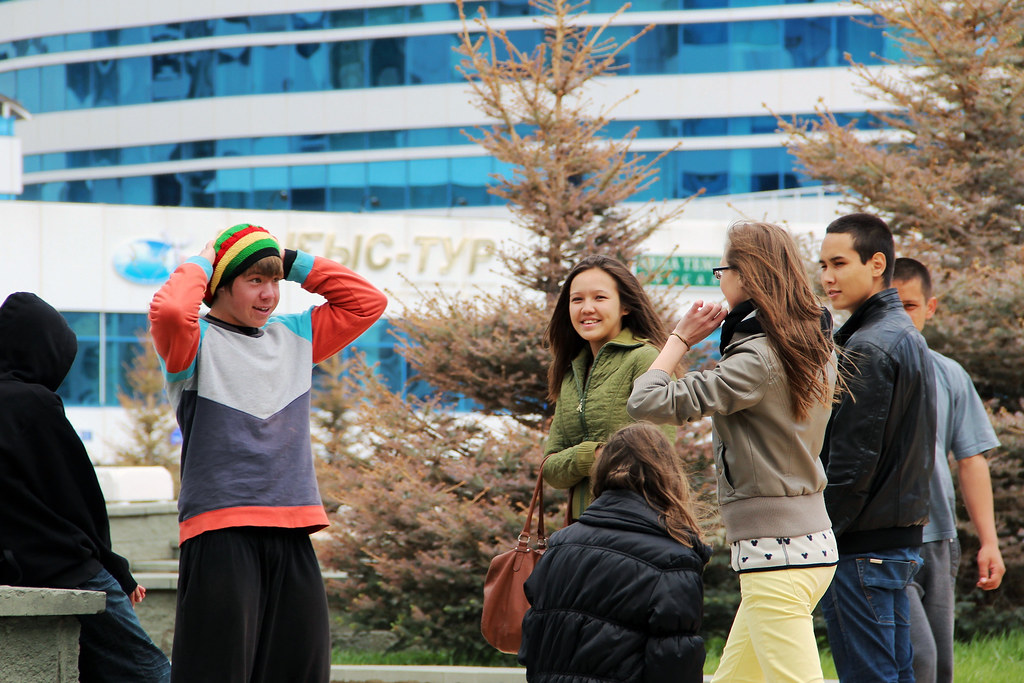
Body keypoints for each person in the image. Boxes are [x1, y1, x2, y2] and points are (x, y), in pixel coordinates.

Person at [149, 223, 387, 683]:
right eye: (255, 280)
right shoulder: (192, 343)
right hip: (220, 530)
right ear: (220, 285)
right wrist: (204, 260)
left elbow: (367, 303)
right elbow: (173, 309)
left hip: (293, 527)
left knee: (300, 670)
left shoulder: (295, 336)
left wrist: (289, 259)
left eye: (275, 281)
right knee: (216, 672)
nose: (269, 294)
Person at [629, 220, 839, 683]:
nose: (719, 280)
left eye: (721, 270)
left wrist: (680, 339)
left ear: (746, 275)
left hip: (777, 555)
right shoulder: (813, 343)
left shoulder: (755, 360)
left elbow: (645, 401)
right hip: (806, 545)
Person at [0, 292, 171, 683]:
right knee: (150, 670)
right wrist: (118, 570)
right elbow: (77, 500)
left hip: (11, 565)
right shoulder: (33, 404)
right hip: (61, 563)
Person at [817, 213, 936, 683]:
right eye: (822, 264)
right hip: (892, 542)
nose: (827, 277)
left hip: (861, 548)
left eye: (839, 263)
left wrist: (821, 537)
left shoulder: (869, 346)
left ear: (876, 263)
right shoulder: (902, 334)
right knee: (896, 675)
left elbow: (852, 462)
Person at [520, 422, 710, 682]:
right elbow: (675, 662)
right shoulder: (672, 560)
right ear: (668, 476)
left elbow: (533, 641)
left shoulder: (560, 545)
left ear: (601, 472)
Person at [893, 257, 1004, 683]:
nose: (903, 315)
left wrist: (989, 542)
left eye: (911, 305)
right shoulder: (861, 366)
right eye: (893, 304)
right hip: (886, 541)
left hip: (939, 541)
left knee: (939, 669)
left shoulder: (949, 374)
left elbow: (971, 459)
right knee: (917, 661)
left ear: (930, 307)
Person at [541, 254, 675, 521]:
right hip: (581, 530)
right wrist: (593, 455)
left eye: (599, 298)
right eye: (577, 299)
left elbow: (657, 457)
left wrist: (594, 458)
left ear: (625, 306)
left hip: (632, 526)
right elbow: (550, 468)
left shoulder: (646, 359)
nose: (586, 308)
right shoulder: (572, 371)